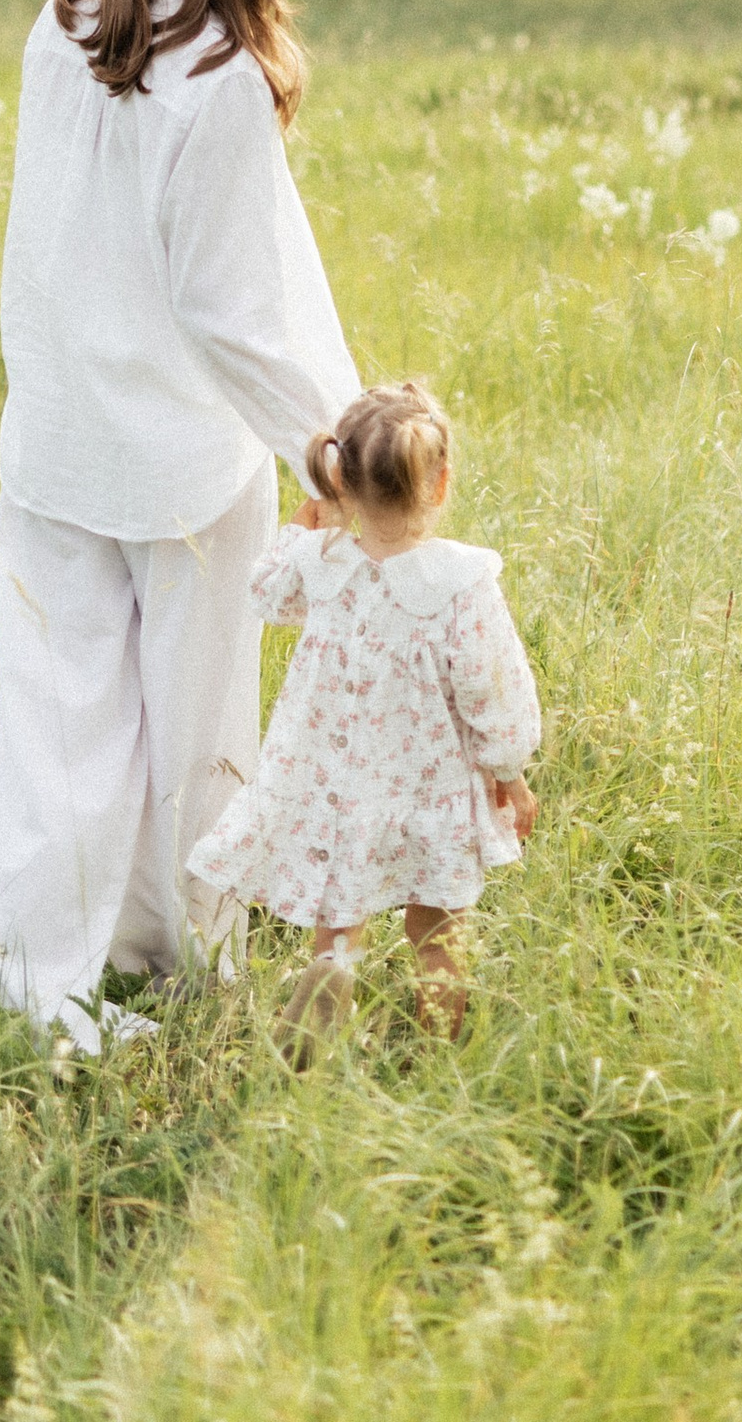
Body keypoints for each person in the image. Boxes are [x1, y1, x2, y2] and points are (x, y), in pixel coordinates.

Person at [0, 0, 356, 1054]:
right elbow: (231, 308)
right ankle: (186, 961)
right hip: (184, 457)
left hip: (60, 431)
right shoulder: (227, 82)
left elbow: (47, 232)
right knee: (197, 727)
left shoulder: (69, 17)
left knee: (57, 723)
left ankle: (48, 986)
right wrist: (330, 447)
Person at [187, 376, 541, 1052]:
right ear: (438, 487)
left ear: (340, 481)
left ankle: (335, 965)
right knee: (439, 931)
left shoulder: (324, 564)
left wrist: (306, 523)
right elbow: (494, 690)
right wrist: (508, 773)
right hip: (428, 793)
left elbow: (266, 589)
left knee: (340, 911)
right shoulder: (460, 584)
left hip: (339, 787)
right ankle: (437, 1051)